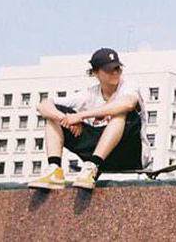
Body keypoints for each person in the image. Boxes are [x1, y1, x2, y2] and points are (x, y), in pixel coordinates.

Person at [27, 49, 149, 191]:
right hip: (102, 154)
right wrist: (64, 119)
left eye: (117, 68)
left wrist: (81, 116)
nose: (115, 73)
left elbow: (127, 104)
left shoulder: (129, 86)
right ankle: (54, 169)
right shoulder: (88, 94)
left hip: (130, 153)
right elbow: (43, 105)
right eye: (109, 70)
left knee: (120, 113)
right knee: (54, 114)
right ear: (95, 73)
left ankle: (92, 166)